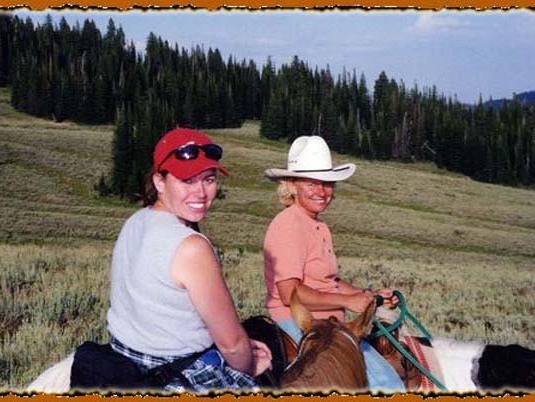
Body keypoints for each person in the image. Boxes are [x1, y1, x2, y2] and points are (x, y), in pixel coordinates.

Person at [107, 127, 272, 393]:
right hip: (175, 373)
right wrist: (249, 364)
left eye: (208, 179)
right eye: (187, 180)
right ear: (160, 182)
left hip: (125, 357)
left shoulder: (136, 220)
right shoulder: (191, 247)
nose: (201, 193)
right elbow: (232, 345)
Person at [262, 135, 405, 392]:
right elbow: (289, 293)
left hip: (326, 322)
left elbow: (328, 282)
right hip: (300, 322)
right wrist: (346, 302)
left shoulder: (316, 224)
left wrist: (367, 296)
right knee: (388, 384)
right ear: (292, 185)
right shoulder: (288, 225)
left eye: (327, 183)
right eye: (311, 183)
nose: (322, 191)